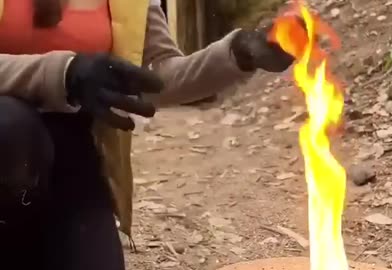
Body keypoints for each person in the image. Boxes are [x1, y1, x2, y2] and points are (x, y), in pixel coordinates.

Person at [0, 0, 295, 269]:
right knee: (14, 128)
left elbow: (156, 76)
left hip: (73, 147)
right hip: (9, 139)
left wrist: (239, 54)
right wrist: (63, 73)